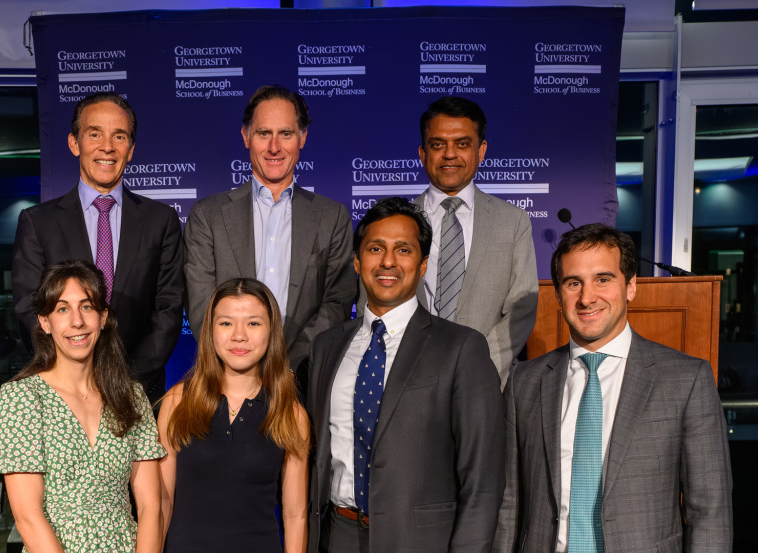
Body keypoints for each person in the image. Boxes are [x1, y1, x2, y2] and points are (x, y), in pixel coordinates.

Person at [494, 224, 733, 553]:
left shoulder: (685, 379)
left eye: (602, 279)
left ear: (631, 285)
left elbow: (710, 511)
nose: (587, 297)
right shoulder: (525, 381)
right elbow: (509, 506)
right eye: (573, 283)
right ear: (558, 294)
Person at [307, 197, 504, 553]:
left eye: (403, 250)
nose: (387, 262)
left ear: (423, 263)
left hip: (423, 543)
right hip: (337, 536)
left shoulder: (461, 348)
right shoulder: (326, 347)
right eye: (375, 248)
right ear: (356, 260)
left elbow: (483, 481)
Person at [12, 92, 184, 405]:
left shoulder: (161, 220)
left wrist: (128, 385)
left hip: (139, 393)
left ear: (130, 149)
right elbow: (29, 309)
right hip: (62, 396)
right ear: (74, 143)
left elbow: (168, 311)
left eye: (119, 136)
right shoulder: (38, 222)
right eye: (95, 134)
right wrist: (71, 382)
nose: (107, 146)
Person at [0, 260, 164, 553]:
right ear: (45, 322)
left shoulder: (131, 397)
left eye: (86, 307)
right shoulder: (21, 399)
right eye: (62, 309)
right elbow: (27, 516)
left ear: (103, 317)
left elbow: (150, 506)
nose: (77, 322)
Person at [183, 84, 355, 379]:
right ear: (246, 137)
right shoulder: (207, 215)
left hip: (301, 378)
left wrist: (288, 367)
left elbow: (336, 304)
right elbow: (201, 306)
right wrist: (239, 363)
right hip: (226, 379)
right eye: (264, 133)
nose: (274, 147)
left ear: (302, 138)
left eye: (285, 134)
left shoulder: (332, 217)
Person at [158, 278, 310, 553]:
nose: (239, 335)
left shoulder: (290, 413)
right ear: (211, 330)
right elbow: (162, 502)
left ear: (271, 331)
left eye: (253, 323)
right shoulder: (178, 401)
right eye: (226, 323)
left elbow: (295, 515)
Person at [415, 96, 538, 387]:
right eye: (437, 144)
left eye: (462, 143)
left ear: (481, 150)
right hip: (410, 386)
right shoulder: (395, 223)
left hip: (486, 384)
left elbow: (521, 311)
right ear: (422, 153)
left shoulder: (513, 222)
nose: (449, 154)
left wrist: (475, 369)